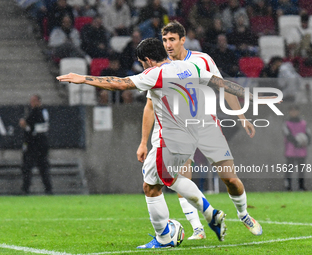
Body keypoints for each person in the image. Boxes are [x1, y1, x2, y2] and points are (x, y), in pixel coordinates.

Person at [57, 38, 277, 248]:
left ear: (148, 60)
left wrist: (85, 78)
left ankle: (168, 235)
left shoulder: (155, 73)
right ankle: (206, 214)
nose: (143, 66)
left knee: (152, 187)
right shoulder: (190, 67)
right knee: (166, 180)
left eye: (143, 63)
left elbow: (121, 84)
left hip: (170, 139)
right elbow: (223, 84)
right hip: (192, 137)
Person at [136, 21, 262, 240]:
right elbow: (149, 105)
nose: (168, 44)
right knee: (181, 178)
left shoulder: (201, 60)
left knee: (229, 178)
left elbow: (223, 85)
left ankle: (243, 215)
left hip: (206, 126)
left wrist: (241, 116)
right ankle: (198, 229)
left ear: (183, 40)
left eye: (172, 39)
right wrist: (143, 141)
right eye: (164, 40)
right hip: (177, 131)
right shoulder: (158, 68)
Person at [19, 95, 53, 195]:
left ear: (38, 101)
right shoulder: (44, 112)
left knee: (28, 167)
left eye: (33, 101)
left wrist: (25, 125)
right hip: (43, 144)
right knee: (43, 167)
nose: (31, 103)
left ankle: (26, 189)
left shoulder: (36, 112)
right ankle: (48, 189)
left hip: (34, 145)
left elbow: (30, 127)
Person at [282, 105, 311, 191]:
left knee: (301, 170)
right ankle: (288, 187)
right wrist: (297, 142)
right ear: (289, 112)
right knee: (289, 170)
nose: (293, 112)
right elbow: (288, 135)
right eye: (291, 110)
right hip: (290, 152)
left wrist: (306, 141)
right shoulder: (286, 124)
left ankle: (301, 187)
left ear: (298, 112)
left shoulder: (303, 123)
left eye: (295, 110)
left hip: (301, 152)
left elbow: (308, 136)